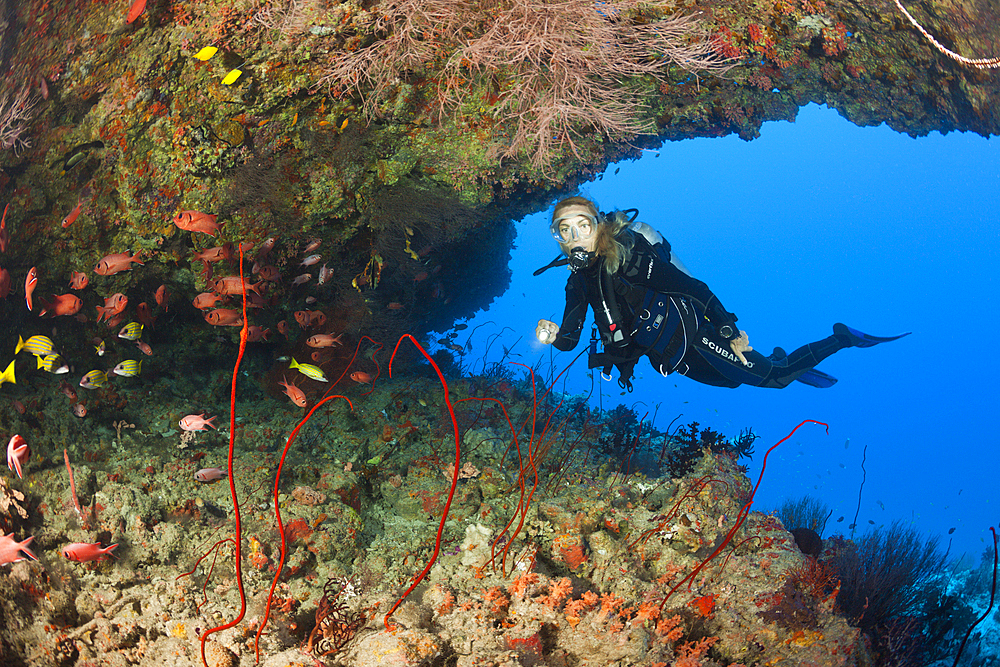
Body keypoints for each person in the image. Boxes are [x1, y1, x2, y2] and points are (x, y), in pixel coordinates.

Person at [534, 196, 909, 391]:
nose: (573, 238)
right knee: (731, 382)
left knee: (774, 381)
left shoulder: (631, 258)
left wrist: (728, 330)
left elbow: (692, 287)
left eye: (581, 225)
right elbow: (569, 339)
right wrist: (552, 336)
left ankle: (841, 338)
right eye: (562, 231)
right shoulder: (577, 281)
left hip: (698, 335)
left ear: (598, 225)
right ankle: (779, 360)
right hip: (673, 355)